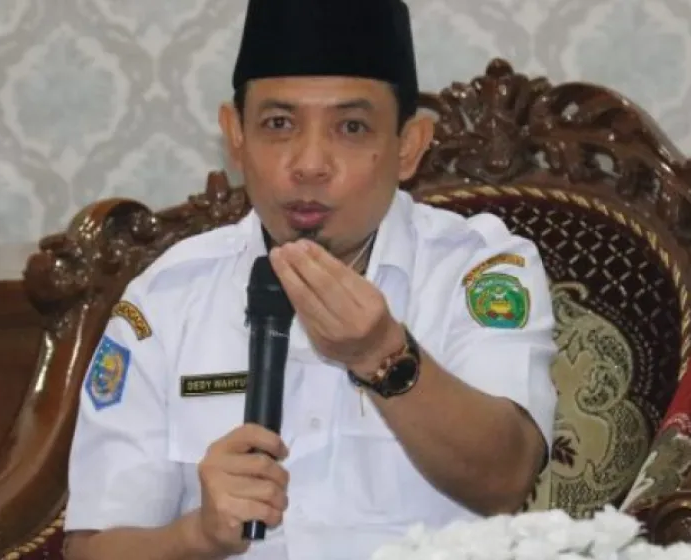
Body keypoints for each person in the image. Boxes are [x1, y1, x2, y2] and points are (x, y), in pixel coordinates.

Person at [62, 0, 557, 558]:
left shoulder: (477, 270)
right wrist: (196, 535)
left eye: (351, 127)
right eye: (279, 124)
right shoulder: (167, 298)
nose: (309, 163)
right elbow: (90, 550)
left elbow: (505, 479)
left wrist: (383, 355)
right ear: (236, 136)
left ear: (409, 146)